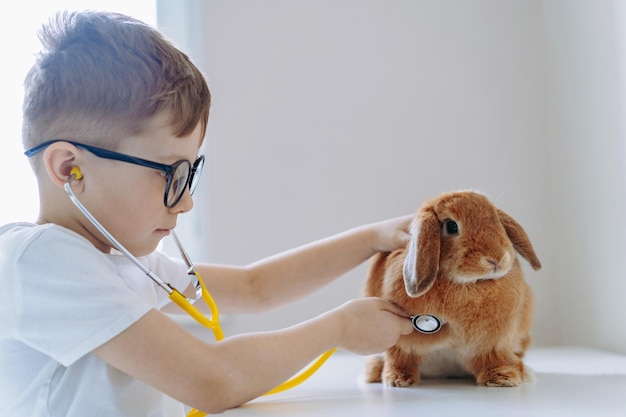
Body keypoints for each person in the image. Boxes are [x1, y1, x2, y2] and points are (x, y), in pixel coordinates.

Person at [0, 10, 414, 417]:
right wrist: (338, 330)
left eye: (190, 173)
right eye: (170, 173)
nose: (185, 202)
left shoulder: (121, 262)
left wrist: (372, 238)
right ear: (70, 169)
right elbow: (213, 381)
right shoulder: (41, 260)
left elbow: (256, 288)